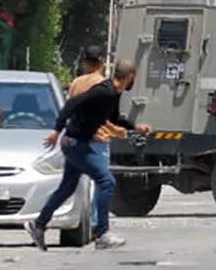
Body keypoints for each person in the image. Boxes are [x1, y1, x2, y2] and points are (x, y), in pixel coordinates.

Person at [26, 59, 150, 251]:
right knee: (107, 182)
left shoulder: (114, 94)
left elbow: (113, 118)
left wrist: (135, 127)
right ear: (130, 77)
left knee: (67, 188)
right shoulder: (104, 91)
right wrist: (57, 130)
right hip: (75, 144)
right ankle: (102, 234)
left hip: (78, 143)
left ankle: (39, 224)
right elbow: (72, 103)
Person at [66, 45, 120, 235]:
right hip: (99, 141)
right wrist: (116, 130)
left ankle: (78, 217)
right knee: (102, 183)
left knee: (75, 182)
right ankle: (97, 224)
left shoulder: (76, 83)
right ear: (102, 62)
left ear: (85, 62)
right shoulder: (104, 84)